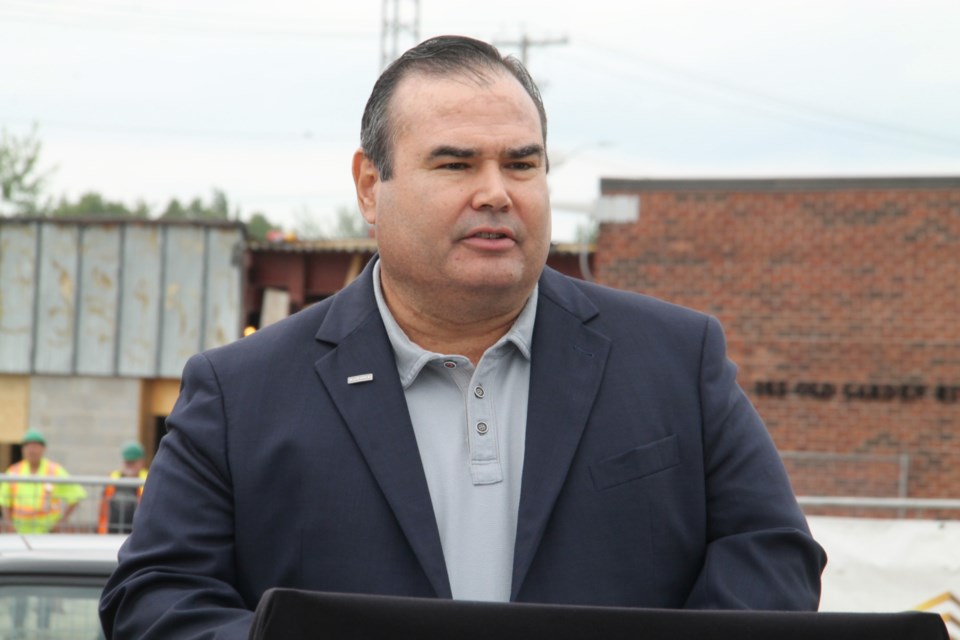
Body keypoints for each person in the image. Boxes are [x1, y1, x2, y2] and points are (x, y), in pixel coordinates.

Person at [100, 35, 826, 639]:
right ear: (368, 187)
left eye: (522, 163)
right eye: (455, 163)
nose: (496, 192)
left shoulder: (676, 359)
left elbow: (772, 555)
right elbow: (156, 600)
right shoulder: (240, 393)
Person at [0, 428, 87, 534]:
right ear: (23, 449)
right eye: (28, 446)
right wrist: (9, 525)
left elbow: (76, 494)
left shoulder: (55, 470)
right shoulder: (14, 471)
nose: (31, 450)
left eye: (35, 446)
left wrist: (61, 521)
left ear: (43, 449)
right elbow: (4, 501)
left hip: (47, 532)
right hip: (20, 532)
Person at [97, 441, 148, 534]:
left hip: (137, 533)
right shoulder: (113, 478)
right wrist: (102, 530)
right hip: (112, 531)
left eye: (133, 463)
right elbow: (103, 507)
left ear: (141, 462)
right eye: (127, 462)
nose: (129, 466)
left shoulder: (148, 479)